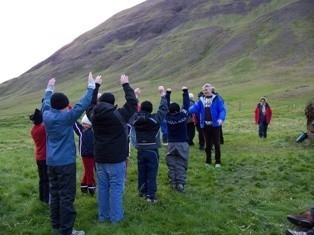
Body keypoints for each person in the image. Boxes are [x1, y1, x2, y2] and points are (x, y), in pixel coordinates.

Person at [42, 73, 96, 235]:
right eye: (67, 105)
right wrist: (91, 86)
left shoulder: (46, 114)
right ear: (64, 107)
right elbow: (83, 104)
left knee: (55, 195)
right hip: (65, 163)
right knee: (66, 197)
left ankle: (55, 227)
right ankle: (66, 230)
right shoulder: (67, 117)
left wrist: (49, 87)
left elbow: (45, 102)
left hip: (51, 162)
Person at [86, 74, 137, 223]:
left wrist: (96, 86)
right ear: (113, 102)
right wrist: (125, 85)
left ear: (100, 102)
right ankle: (116, 218)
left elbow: (89, 104)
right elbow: (133, 102)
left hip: (100, 158)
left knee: (102, 188)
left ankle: (103, 216)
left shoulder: (93, 115)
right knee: (115, 188)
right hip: (116, 159)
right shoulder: (120, 115)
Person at [133, 85, 169, 202]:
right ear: (150, 109)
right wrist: (163, 94)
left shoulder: (135, 119)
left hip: (140, 150)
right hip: (152, 150)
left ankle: (142, 193)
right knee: (151, 173)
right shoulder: (155, 119)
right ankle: (151, 196)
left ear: (141, 109)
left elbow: (131, 109)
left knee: (141, 172)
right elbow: (163, 109)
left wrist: (136, 96)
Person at [189, 83, 226, 168]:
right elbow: (194, 108)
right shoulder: (201, 100)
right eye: (203, 90)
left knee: (217, 144)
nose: (205, 91)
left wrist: (221, 118)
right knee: (208, 144)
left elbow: (222, 110)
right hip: (205, 126)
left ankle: (218, 162)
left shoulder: (217, 99)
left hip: (215, 125)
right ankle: (208, 161)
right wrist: (185, 111)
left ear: (210, 90)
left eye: (206, 89)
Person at [165, 86, 190, 192]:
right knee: (181, 162)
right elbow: (187, 104)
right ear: (178, 110)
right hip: (182, 143)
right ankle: (180, 183)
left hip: (171, 144)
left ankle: (173, 182)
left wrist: (168, 94)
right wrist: (185, 92)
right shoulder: (183, 116)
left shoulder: (167, 117)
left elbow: (164, 107)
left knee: (171, 163)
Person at [29, 108, 49, 204]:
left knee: (42, 178)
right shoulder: (42, 128)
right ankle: (46, 198)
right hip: (45, 157)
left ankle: (42, 197)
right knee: (46, 178)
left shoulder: (33, 129)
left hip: (39, 156)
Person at [73, 114, 96, 196]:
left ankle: (83, 185)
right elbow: (75, 124)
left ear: (91, 125)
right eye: (83, 124)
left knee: (88, 170)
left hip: (93, 154)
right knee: (90, 171)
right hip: (85, 155)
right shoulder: (81, 132)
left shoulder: (94, 131)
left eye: (86, 124)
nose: (84, 126)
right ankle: (91, 187)